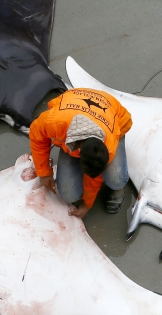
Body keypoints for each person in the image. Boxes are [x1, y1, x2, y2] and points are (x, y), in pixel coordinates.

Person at [29, 88, 133, 219]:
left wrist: (87, 204)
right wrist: (43, 171)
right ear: (77, 149)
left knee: (116, 178)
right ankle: (65, 147)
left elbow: (94, 177)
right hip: (73, 104)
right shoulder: (53, 122)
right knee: (69, 195)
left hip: (114, 118)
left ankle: (118, 187)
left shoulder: (108, 147)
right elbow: (36, 135)